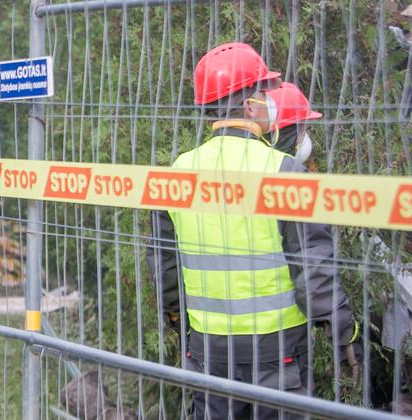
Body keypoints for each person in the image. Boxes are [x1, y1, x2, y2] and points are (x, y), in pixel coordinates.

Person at [147, 42, 360, 419]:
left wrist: (179, 321)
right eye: (264, 93)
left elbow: (164, 265)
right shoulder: (283, 170)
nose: (268, 101)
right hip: (277, 355)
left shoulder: (176, 172)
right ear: (249, 105)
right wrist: (343, 329)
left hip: (208, 351)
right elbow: (313, 269)